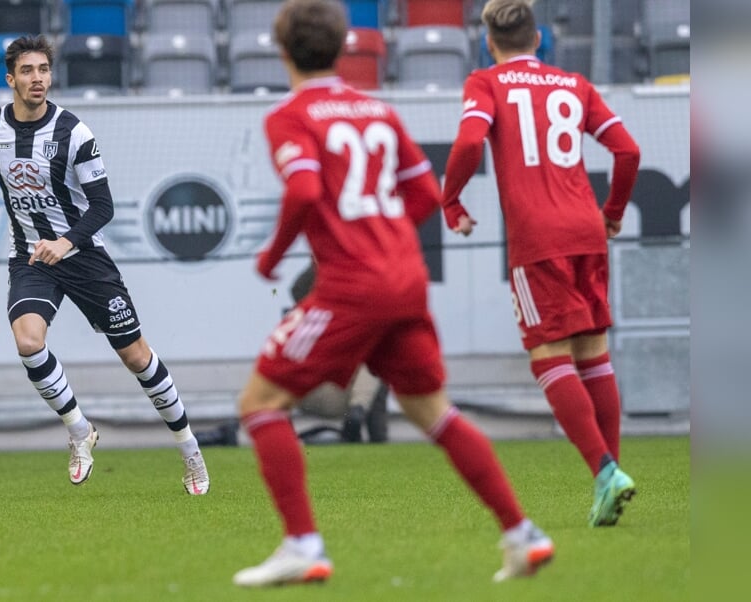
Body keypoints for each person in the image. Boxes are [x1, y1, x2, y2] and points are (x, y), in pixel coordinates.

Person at [232, 0, 553, 587]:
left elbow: (303, 192)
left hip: (353, 285)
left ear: (282, 53)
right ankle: (520, 533)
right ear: (343, 49)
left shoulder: (289, 116)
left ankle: (302, 543)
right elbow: (427, 194)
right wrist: (383, 239)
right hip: (404, 277)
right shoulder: (377, 110)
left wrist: (272, 258)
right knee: (431, 410)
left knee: (259, 403)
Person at [0, 35, 209, 496]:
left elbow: (103, 207)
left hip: (83, 257)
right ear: (11, 79)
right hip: (30, 258)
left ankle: (189, 449)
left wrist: (65, 242)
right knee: (28, 342)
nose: (37, 78)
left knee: (137, 358)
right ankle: (80, 430)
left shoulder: (73, 132)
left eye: (43, 69)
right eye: (27, 71)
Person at [440, 0, 641, 527]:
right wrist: (612, 213)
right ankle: (611, 475)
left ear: (490, 41)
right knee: (593, 352)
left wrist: (451, 200)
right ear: (539, 38)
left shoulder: (486, 83)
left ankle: (604, 472)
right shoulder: (573, 84)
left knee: (548, 354)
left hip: (539, 238)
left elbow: (467, 141)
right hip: (586, 231)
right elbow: (628, 151)